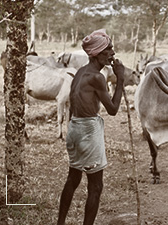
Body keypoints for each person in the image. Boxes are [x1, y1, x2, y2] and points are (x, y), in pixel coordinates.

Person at [57, 29, 125, 225]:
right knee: (95, 187)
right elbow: (112, 110)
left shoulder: (80, 73)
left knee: (73, 178)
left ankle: (60, 222)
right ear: (96, 53)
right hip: (88, 131)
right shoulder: (97, 77)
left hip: (74, 129)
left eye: (112, 49)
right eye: (108, 49)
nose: (112, 53)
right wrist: (120, 79)